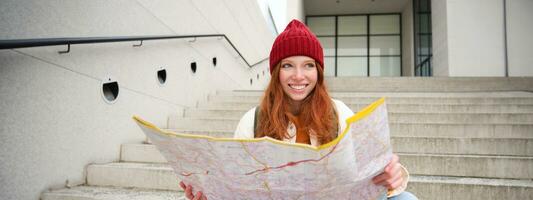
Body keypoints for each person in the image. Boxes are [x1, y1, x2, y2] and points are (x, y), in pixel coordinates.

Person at [180, 19, 418, 200]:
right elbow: (237, 186)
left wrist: (392, 173)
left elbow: (371, 169)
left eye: (308, 66)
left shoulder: (340, 112)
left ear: (318, 72)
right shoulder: (251, 120)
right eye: (288, 66)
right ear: (276, 73)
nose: (298, 76)